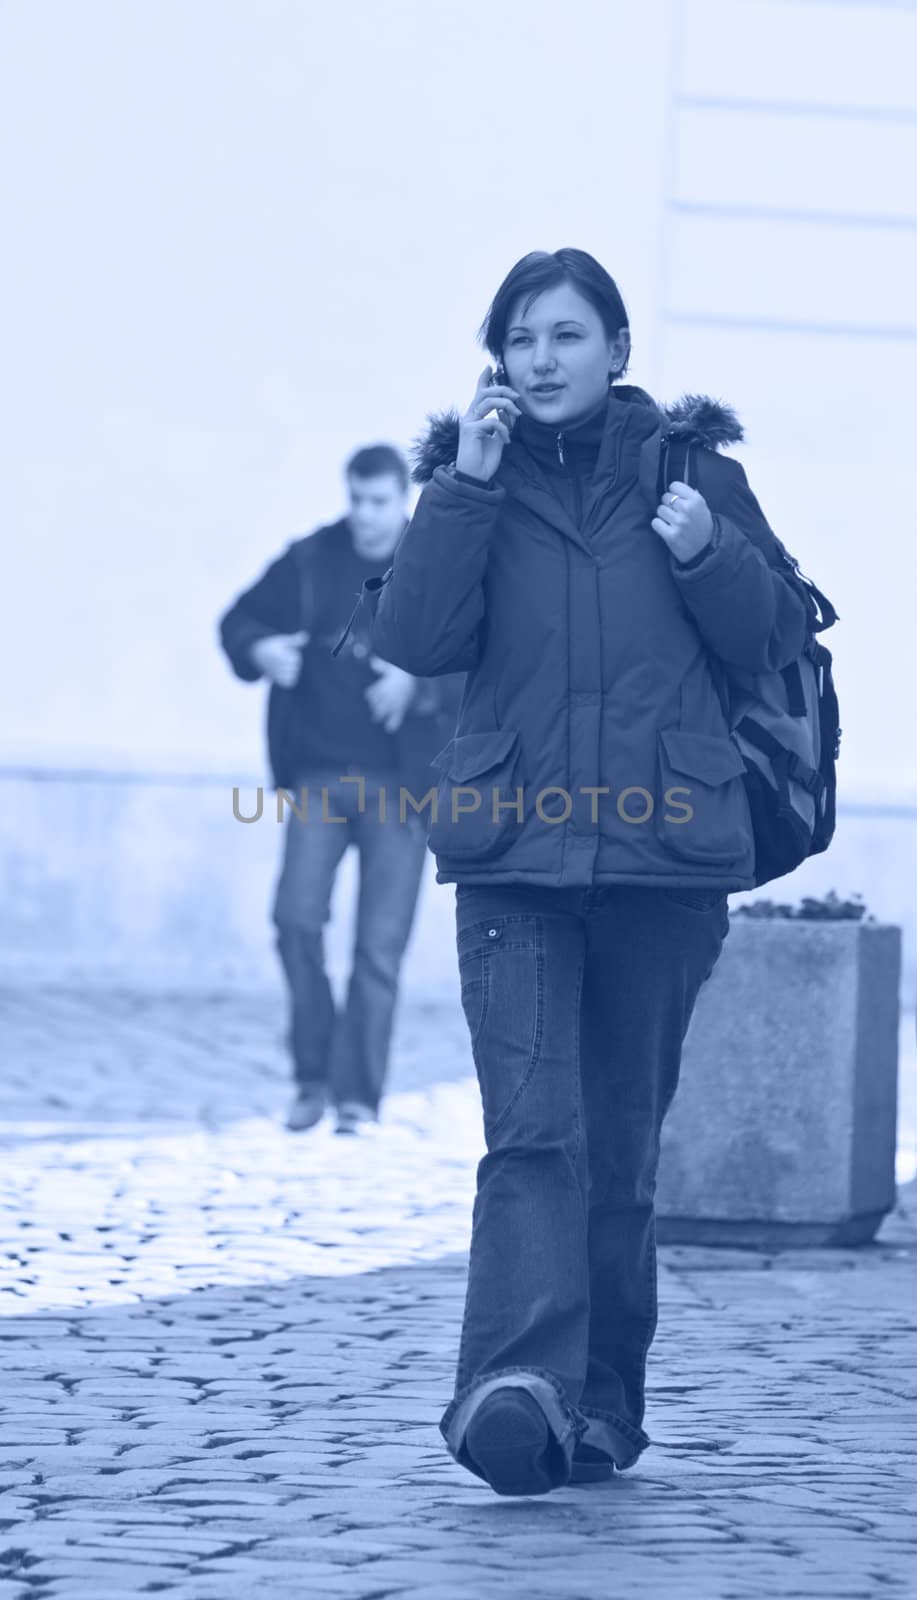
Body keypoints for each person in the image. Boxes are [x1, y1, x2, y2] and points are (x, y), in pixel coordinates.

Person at [362, 249, 808, 1494]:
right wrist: (463, 489)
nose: (542, 360)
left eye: (567, 336)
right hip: (513, 860)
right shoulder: (470, 481)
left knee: (616, 1149)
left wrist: (708, 546)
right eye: (520, 340)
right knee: (531, 1134)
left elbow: (775, 636)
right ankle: (513, 1390)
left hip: (666, 865)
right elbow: (410, 634)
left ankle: (603, 1404)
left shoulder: (688, 471)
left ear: (616, 348)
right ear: (495, 359)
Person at [219, 443, 464, 1137]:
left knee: (376, 950)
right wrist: (259, 650)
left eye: (379, 501)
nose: (365, 515)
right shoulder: (311, 559)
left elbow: (484, 655)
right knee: (295, 921)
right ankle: (311, 1075)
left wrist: (417, 686)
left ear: (401, 499)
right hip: (320, 777)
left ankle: (357, 1097)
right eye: (356, 499)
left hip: (402, 785)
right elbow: (237, 623)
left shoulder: (434, 560)